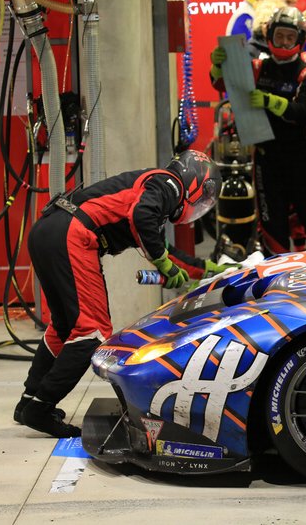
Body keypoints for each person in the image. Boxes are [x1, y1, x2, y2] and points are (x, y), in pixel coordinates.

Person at [16, 150, 234, 437]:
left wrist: (207, 269)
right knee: (91, 332)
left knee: (64, 326)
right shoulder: (169, 185)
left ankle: (28, 402)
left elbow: (159, 243)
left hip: (50, 230)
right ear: (196, 182)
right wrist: (163, 264)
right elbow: (142, 218)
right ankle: (40, 408)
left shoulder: (155, 188)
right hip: (73, 235)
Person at [211, 7, 306, 255]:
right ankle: (276, 282)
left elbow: (301, 112)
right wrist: (219, 65)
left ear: (300, 40)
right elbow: (221, 83)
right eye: (279, 36)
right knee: (271, 223)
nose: (284, 42)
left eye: (290, 37)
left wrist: (268, 100)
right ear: (270, 35)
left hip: (302, 160)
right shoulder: (256, 67)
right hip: (265, 159)